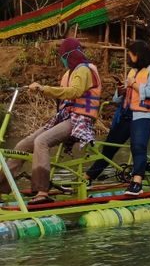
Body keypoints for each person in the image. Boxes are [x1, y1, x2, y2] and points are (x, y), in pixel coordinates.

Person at [0, 38, 101, 204]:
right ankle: (2, 188)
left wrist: (43, 89)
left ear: (71, 54)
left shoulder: (84, 70)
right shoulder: (69, 73)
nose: (62, 60)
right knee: (23, 145)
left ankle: (42, 191)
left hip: (80, 120)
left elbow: (74, 91)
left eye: (64, 56)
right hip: (64, 117)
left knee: (41, 141)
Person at [85, 40, 150, 196]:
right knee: (109, 147)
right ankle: (88, 177)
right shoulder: (132, 72)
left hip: (145, 114)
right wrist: (121, 89)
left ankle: (137, 183)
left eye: (130, 55)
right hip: (127, 114)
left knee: (138, 147)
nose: (128, 59)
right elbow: (118, 99)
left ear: (138, 55)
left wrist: (133, 84)